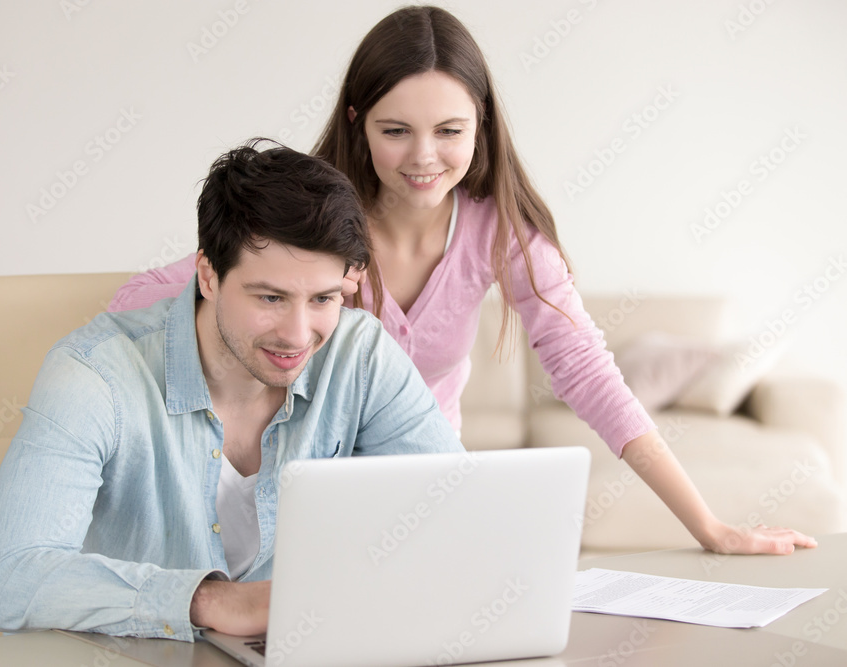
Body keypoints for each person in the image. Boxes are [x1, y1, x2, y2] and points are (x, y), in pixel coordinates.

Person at [108, 6, 816, 556]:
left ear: (481, 124)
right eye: (395, 131)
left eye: (450, 130)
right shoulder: (313, 223)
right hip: (305, 493)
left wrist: (710, 526)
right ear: (356, 123)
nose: (423, 157)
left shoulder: (498, 230)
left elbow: (591, 376)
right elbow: (143, 299)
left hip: (425, 492)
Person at [0, 141, 463, 642]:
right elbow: (9, 579)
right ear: (208, 275)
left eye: (323, 298)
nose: (298, 335)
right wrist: (206, 600)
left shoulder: (360, 356)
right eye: (271, 297)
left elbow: (460, 516)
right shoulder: (94, 377)